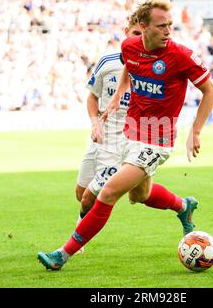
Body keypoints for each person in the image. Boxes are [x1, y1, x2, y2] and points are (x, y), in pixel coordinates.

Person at [37, 0, 213, 271]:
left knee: (107, 193)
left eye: (170, 25)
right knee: (139, 196)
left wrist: (195, 131)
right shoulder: (129, 47)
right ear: (143, 27)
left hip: (157, 140)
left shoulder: (181, 55)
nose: (168, 31)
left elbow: (210, 91)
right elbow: (129, 67)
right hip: (129, 134)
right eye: (161, 26)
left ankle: (62, 255)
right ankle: (183, 206)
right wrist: (119, 93)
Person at [72, 14, 142, 255]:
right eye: (135, 34)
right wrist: (94, 123)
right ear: (126, 32)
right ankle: (181, 206)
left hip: (122, 142)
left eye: (143, 35)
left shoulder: (150, 68)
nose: (139, 40)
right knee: (80, 192)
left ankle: (75, 242)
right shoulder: (108, 62)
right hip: (100, 133)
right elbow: (92, 96)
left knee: (90, 198)